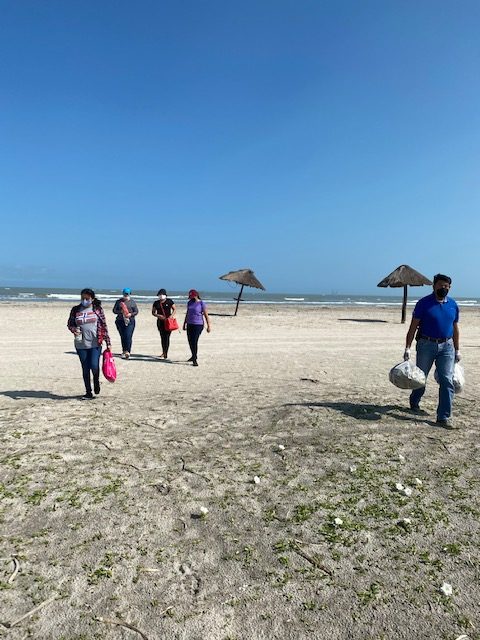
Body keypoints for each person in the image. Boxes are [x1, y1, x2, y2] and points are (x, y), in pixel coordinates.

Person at [403, 274, 460, 429]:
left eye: (447, 286)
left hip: (447, 347)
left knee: (447, 380)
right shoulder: (423, 304)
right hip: (426, 345)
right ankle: (414, 401)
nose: (444, 288)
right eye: (441, 285)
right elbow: (413, 327)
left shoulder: (453, 305)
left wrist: (457, 349)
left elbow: (455, 328)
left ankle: (443, 417)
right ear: (434, 286)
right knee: (421, 378)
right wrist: (407, 347)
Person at [67, 288, 112, 399]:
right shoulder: (75, 310)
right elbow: (69, 324)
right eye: (83, 298)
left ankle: (96, 381)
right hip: (80, 344)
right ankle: (88, 392)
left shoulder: (97, 309)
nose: (84, 300)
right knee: (85, 368)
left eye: (87, 298)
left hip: (96, 343)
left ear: (92, 298)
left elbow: (104, 326)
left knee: (94, 365)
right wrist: (74, 329)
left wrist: (108, 342)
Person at [183, 289, 211, 366]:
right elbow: (188, 313)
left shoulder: (201, 303)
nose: (191, 298)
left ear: (196, 295)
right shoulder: (189, 303)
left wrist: (208, 326)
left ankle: (194, 359)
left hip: (198, 324)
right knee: (190, 341)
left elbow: (206, 315)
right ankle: (193, 355)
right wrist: (184, 323)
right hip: (189, 324)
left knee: (194, 341)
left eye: (192, 296)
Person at [112, 288, 139, 359]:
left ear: (130, 294)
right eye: (125, 294)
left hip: (130, 321)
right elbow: (114, 310)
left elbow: (136, 311)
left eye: (127, 294)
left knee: (128, 336)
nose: (126, 295)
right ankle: (124, 350)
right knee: (123, 336)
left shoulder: (132, 302)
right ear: (123, 294)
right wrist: (121, 311)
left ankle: (128, 351)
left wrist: (130, 314)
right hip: (120, 321)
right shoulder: (118, 302)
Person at [152, 288, 177, 359]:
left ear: (165, 295)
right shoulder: (156, 303)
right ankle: (164, 352)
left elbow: (174, 309)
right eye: (159, 295)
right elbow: (153, 312)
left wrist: (171, 316)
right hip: (160, 322)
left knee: (167, 337)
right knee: (162, 337)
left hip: (168, 322)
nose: (161, 296)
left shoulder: (169, 301)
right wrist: (158, 315)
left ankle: (166, 352)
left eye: (162, 294)